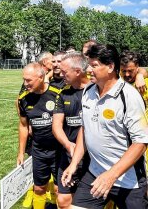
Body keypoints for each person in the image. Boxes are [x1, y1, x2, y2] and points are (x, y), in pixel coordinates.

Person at [62, 44, 148, 208]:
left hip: (129, 182)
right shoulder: (88, 92)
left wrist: (111, 175)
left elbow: (141, 142)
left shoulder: (129, 97)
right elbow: (85, 129)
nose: (88, 69)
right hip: (95, 174)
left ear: (110, 67)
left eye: (94, 65)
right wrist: (74, 164)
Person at [17, 62, 60, 209]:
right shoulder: (23, 99)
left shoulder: (57, 94)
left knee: (60, 189)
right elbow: (23, 126)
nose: (25, 83)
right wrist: (21, 152)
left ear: (41, 77)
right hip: (39, 151)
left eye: (28, 80)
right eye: (24, 79)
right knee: (39, 188)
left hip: (59, 151)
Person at [52, 52, 90, 209]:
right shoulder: (63, 94)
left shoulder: (95, 92)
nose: (61, 74)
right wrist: (68, 145)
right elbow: (56, 126)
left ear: (78, 71)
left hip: (91, 158)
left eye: (64, 71)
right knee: (63, 201)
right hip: (68, 155)